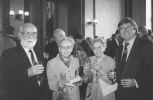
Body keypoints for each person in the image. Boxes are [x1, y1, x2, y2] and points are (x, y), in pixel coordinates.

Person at [0, 23, 45, 100]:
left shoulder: (39, 53)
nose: (31, 37)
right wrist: (27, 73)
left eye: (34, 34)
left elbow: (42, 80)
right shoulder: (9, 54)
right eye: (27, 33)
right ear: (20, 35)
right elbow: (4, 81)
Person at [115, 17, 153, 100]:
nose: (124, 30)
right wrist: (114, 76)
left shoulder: (146, 45)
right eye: (121, 28)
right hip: (122, 95)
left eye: (127, 27)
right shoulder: (119, 49)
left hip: (140, 94)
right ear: (119, 32)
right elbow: (121, 71)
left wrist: (136, 82)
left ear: (134, 29)